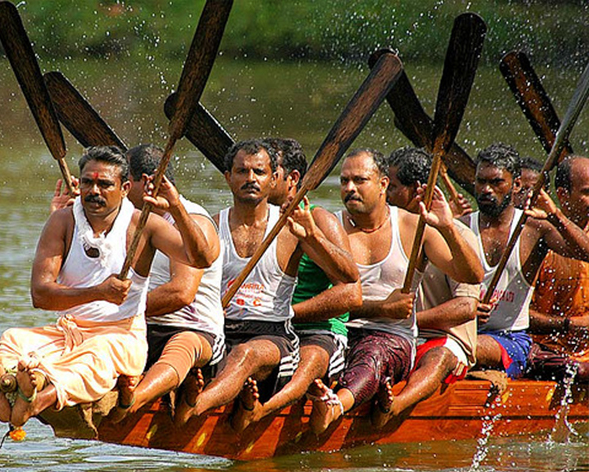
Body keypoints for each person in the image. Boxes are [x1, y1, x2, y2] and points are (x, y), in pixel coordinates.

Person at [0, 146, 216, 430]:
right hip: (70, 331)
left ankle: (36, 398)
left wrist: (175, 206)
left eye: (104, 184)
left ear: (125, 188)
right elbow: (40, 295)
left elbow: (202, 258)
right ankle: (13, 386)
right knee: (14, 339)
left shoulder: (143, 224)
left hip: (120, 336)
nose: (94, 191)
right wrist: (98, 292)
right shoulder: (62, 221)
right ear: (79, 183)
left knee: (97, 356)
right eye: (88, 182)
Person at [175, 139, 359, 426]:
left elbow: (349, 277)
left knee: (245, 354)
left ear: (274, 178)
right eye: (242, 171)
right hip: (222, 331)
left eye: (259, 172)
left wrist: (312, 236)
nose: (250, 179)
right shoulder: (209, 226)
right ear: (228, 177)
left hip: (272, 336)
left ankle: (193, 410)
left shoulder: (290, 227)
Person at [309, 148, 483, 434]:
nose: (349, 188)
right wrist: (380, 307)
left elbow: (472, 275)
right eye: (344, 181)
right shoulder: (330, 226)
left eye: (359, 180)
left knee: (374, 353)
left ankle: (334, 406)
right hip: (336, 332)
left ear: (383, 185)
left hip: (391, 339)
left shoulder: (413, 227)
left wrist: (448, 227)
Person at [231, 137, 361, 431]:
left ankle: (262, 412)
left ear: (290, 179)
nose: (259, 178)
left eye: (268, 172)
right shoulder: (246, 220)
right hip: (263, 327)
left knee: (309, 358)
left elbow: (351, 293)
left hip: (315, 330)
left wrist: (290, 313)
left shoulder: (319, 219)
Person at [111, 144, 225, 419]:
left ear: (148, 183)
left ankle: (133, 400)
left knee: (182, 345)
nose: (122, 188)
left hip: (195, 331)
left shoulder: (193, 220)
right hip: (143, 326)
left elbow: (181, 293)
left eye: (127, 182)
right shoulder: (132, 220)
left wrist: (120, 311)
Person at [462, 143, 589, 379]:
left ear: (516, 185)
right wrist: (461, 311)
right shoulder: (459, 226)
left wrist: (555, 215)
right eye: (481, 181)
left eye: (497, 182)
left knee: (459, 346)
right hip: (464, 332)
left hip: (511, 339)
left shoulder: (534, 229)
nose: (486, 190)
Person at [376, 146, 480, 428]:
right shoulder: (381, 231)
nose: (385, 195)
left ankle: (396, 405)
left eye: (393, 187)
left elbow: (466, 307)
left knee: (439, 357)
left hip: (442, 339)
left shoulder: (458, 236)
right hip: (396, 335)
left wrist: (408, 319)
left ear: (418, 191)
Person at [527, 155, 589, 382]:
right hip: (547, 352)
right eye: (587, 192)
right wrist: (569, 325)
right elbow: (516, 317)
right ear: (563, 195)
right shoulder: (538, 241)